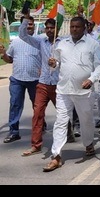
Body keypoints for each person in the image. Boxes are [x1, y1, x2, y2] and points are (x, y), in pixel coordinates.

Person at [42, 16, 100, 172]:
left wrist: (91, 79)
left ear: (84, 28)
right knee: (61, 121)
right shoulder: (62, 44)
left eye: (77, 27)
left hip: (83, 92)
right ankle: (56, 155)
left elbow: (99, 66)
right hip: (63, 90)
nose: (74, 29)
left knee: (86, 121)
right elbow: (56, 63)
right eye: (72, 27)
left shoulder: (93, 44)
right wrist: (53, 64)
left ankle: (88, 143)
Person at [18, 15, 74, 156]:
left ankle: (68, 131)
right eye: (47, 28)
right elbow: (23, 35)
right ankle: (36, 145)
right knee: (37, 114)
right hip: (43, 83)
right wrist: (25, 18)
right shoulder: (40, 42)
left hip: (58, 84)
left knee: (62, 114)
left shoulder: (65, 42)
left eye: (52, 28)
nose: (49, 30)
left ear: (57, 29)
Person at [0, 15, 41, 143]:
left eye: (31, 25)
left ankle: (40, 125)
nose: (29, 27)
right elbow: (9, 59)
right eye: (27, 24)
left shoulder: (39, 41)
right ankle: (14, 132)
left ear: (34, 26)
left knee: (38, 105)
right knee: (15, 105)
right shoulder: (16, 42)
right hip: (17, 79)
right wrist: (3, 54)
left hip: (35, 80)